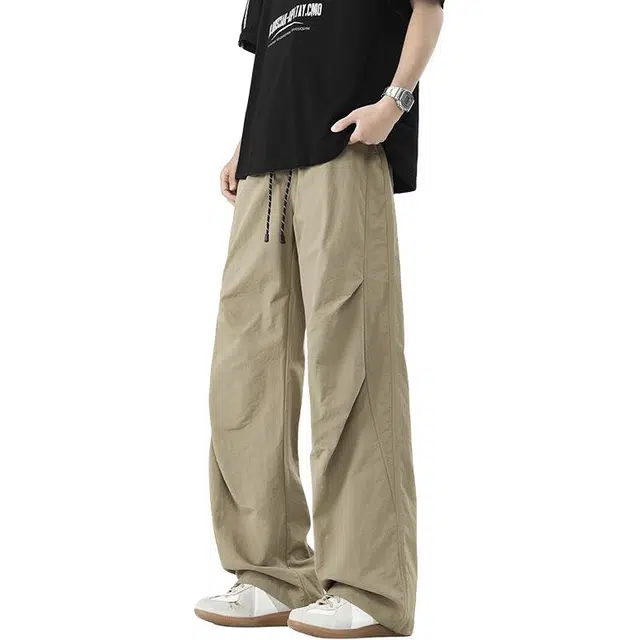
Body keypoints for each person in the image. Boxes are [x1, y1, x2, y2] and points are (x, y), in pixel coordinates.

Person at [195, 1, 444, 637]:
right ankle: (271, 574)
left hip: (344, 152)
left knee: (352, 363)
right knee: (246, 371)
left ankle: (370, 587)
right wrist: (245, 143)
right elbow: (275, 65)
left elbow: (427, 9)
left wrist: (394, 102)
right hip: (264, 169)